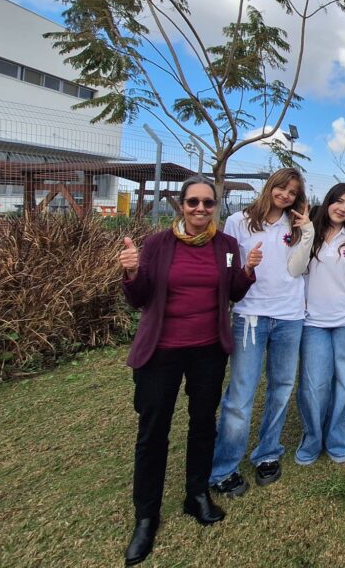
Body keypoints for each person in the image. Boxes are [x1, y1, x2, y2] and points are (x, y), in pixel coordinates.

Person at [118, 177, 260, 566]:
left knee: (202, 425)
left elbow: (233, 292)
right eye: (193, 202)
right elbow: (139, 297)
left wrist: (247, 271)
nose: (200, 209)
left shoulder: (225, 246)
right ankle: (146, 516)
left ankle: (196, 495)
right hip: (161, 351)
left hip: (208, 351)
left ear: (216, 206)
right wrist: (131, 273)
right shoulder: (157, 245)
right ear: (181, 205)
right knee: (153, 432)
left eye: (208, 203)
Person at [209, 169, 313, 499]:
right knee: (241, 394)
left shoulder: (296, 225)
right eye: (282, 188)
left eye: (293, 192)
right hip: (250, 315)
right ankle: (224, 467)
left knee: (281, 388)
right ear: (270, 186)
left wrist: (306, 231)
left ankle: (268, 452)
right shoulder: (238, 222)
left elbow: (298, 268)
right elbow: (228, 270)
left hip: (290, 316)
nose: (285, 195)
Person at [292, 183, 345, 464]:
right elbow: (295, 268)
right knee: (314, 383)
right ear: (328, 202)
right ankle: (312, 438)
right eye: (338, 201)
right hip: (313, 320)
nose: (342, 208)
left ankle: (337, 437)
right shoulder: (308, 231)